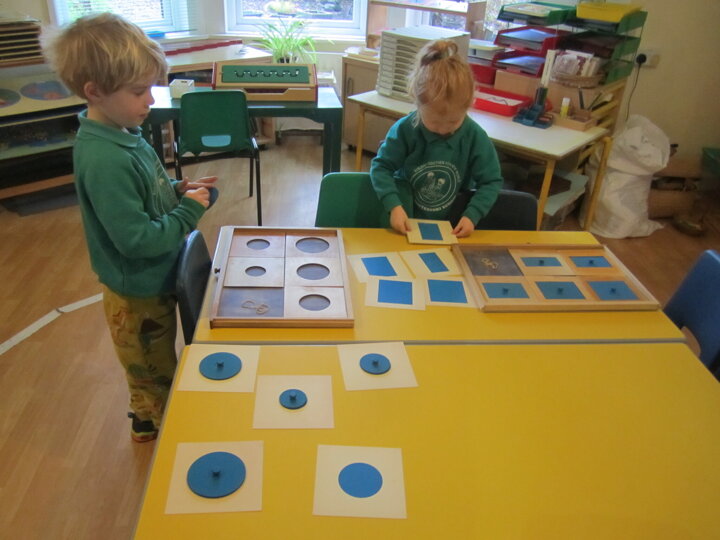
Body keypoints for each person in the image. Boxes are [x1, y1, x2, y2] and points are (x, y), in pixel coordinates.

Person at [46, 13, 217, 442]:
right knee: (152, 372)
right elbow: (137, 239)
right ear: (95, 92)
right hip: (137, 294)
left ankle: (152, 411)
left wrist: (176, 190)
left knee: (158, 362)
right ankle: (153, 426)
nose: (150, 101)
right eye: (139, 91)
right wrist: (187, 213)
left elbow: (145, 195)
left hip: (154, 280)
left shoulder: (124, 133)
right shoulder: (105, 158)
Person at [370, 39, 503, 238]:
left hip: (451, 226)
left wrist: (472, 215)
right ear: (417, 103)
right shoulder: (406, 129)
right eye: (433, 122)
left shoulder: (474, 136)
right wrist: (394, 206)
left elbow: (491, 181)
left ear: (468, 106)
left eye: (453, 122)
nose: (442, 130)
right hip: (405, 223)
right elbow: (381, 167)